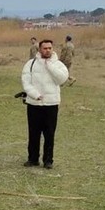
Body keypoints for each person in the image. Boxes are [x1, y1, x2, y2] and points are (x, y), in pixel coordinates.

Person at [22, 40, 69, 169]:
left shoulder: (58, 64)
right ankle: (32, 159)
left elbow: (62, 79)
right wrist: (34, 94)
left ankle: (48, 160)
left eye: (50, 48)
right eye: (45, 48)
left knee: (49, 134)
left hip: (51, 104)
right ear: (39, 50)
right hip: (34, 104)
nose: (47, 50)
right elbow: (26, 82)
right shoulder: (30, 64)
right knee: (33, 133)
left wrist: (50, 66)